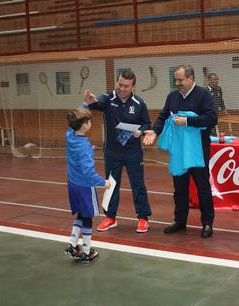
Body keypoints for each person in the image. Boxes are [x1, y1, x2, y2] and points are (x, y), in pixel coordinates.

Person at [143, 64, 217, 238]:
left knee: (202, 187)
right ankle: (180, 220)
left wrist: (187, 121)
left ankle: (207, 223)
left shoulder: (204, 95)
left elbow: (212, 118)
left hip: (198, 150)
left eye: (180, 79)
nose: (177, 82)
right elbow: (163, 117)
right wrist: (154, 131)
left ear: (191, 79)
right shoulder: (172, 97)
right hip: (178, 150)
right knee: (180, 187)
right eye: (176, 79)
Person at [83, 70, 152, 233]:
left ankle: (143, 218)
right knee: (111, 185)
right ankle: (110, 217)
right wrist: (90, 101)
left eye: (126, 86)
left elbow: (147, 123)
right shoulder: (108, 98)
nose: (122, 88)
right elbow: (96, 102)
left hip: (133, 151)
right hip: (112, 152)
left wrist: (140, 131)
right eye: (120, 84)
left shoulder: (139, 103)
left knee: (138, 184)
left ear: (133, 87)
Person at [64, 108, 110, 264]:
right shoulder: (84, 146)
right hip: (84, 187)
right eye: (88, 121)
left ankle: (71, 244)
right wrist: (104, 182)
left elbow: (74, 120)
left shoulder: (70, 135)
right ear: (84, 125)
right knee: (88, 217)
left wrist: (84, 104)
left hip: (72, 184)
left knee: (81, 214)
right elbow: (89, 173)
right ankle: (86, 251)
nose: (90, 123)